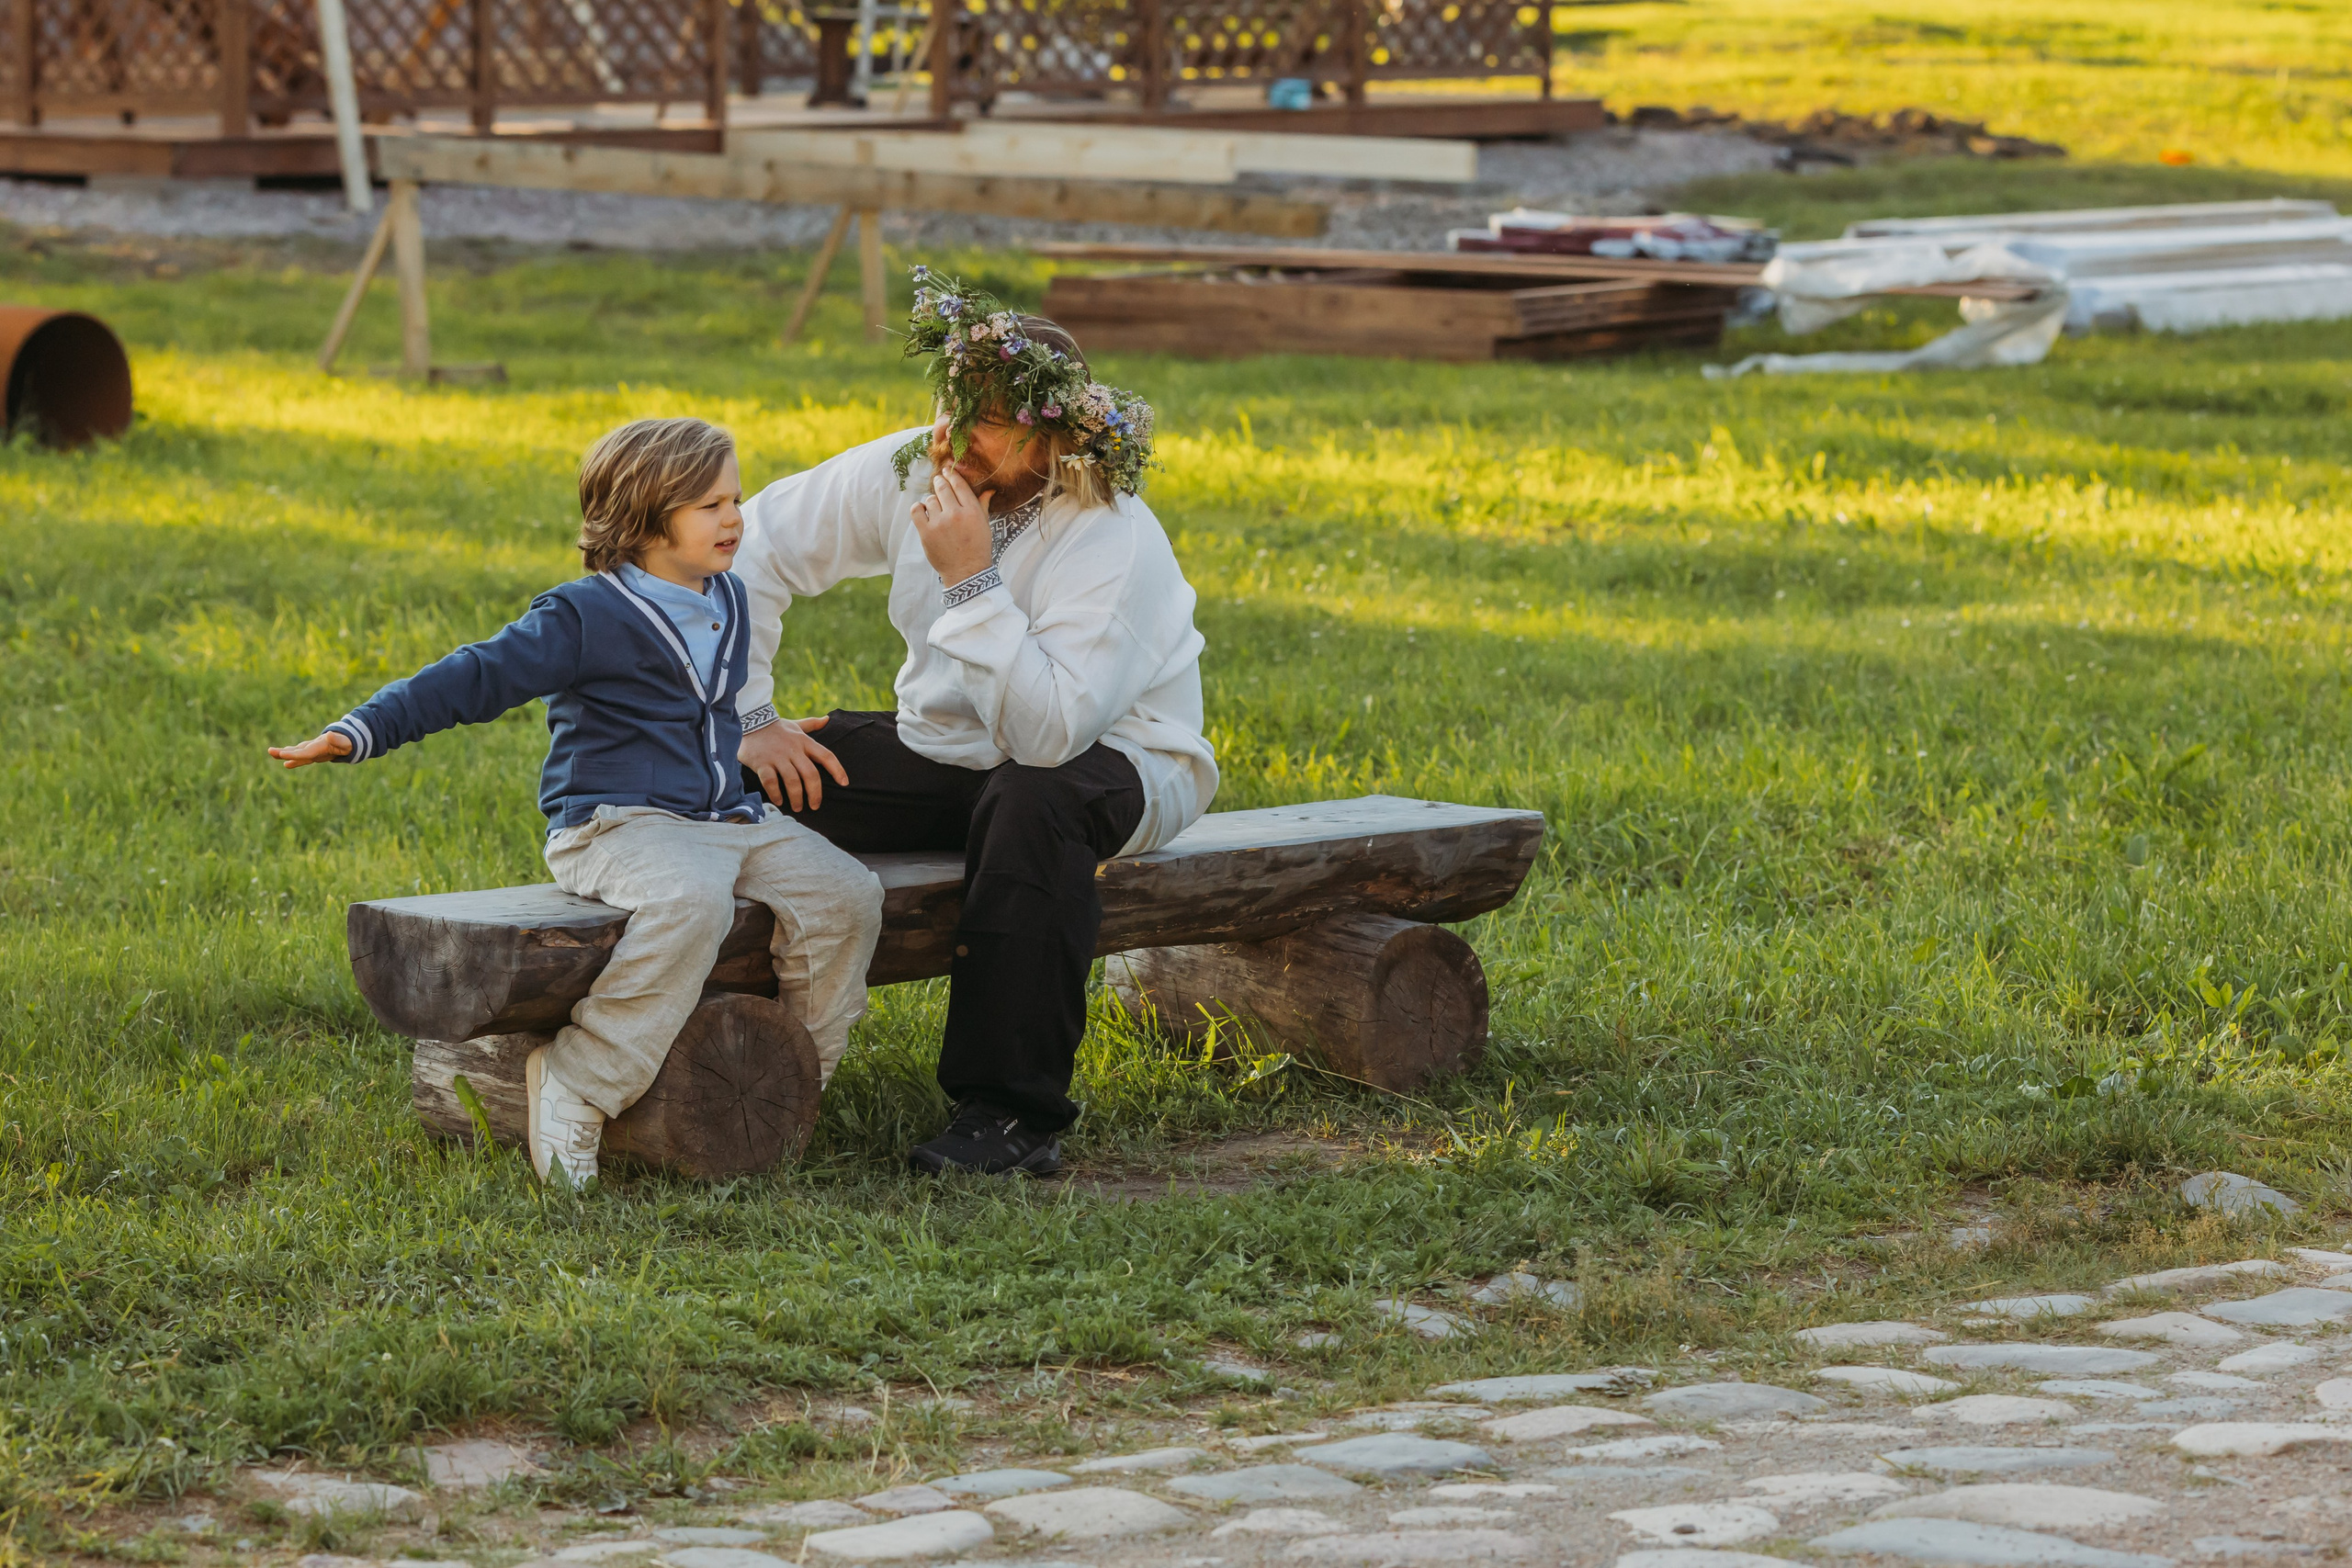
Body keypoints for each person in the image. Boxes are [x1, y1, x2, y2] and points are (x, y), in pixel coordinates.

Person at [267, 418, 885, 1189]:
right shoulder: (582, 616)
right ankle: (581, 1081)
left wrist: (758, 726)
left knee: (848, 896)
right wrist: (358, 730)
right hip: (615, 824)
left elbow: (714, 702)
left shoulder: (727, 593)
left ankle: (794, 1078)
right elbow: (471, 677)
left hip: (728, 816)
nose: (735, 519)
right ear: (641, 516)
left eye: (734, 499)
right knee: (691, 904)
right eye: (709, 506)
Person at [732, 270, 1215, 1179]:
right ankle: (682, 1009)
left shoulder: (1109, 537)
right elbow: (751, 547)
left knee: (1030, 802)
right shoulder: (920, 464)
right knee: (737, 771)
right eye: (952, 406)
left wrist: (968, 580)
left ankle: (1009, 1113)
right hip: (953, 753)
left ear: (1056, 433)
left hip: (1115, 762)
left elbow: (1048, 739)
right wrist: (751, 716)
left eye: (987, 419)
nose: (953, 437)